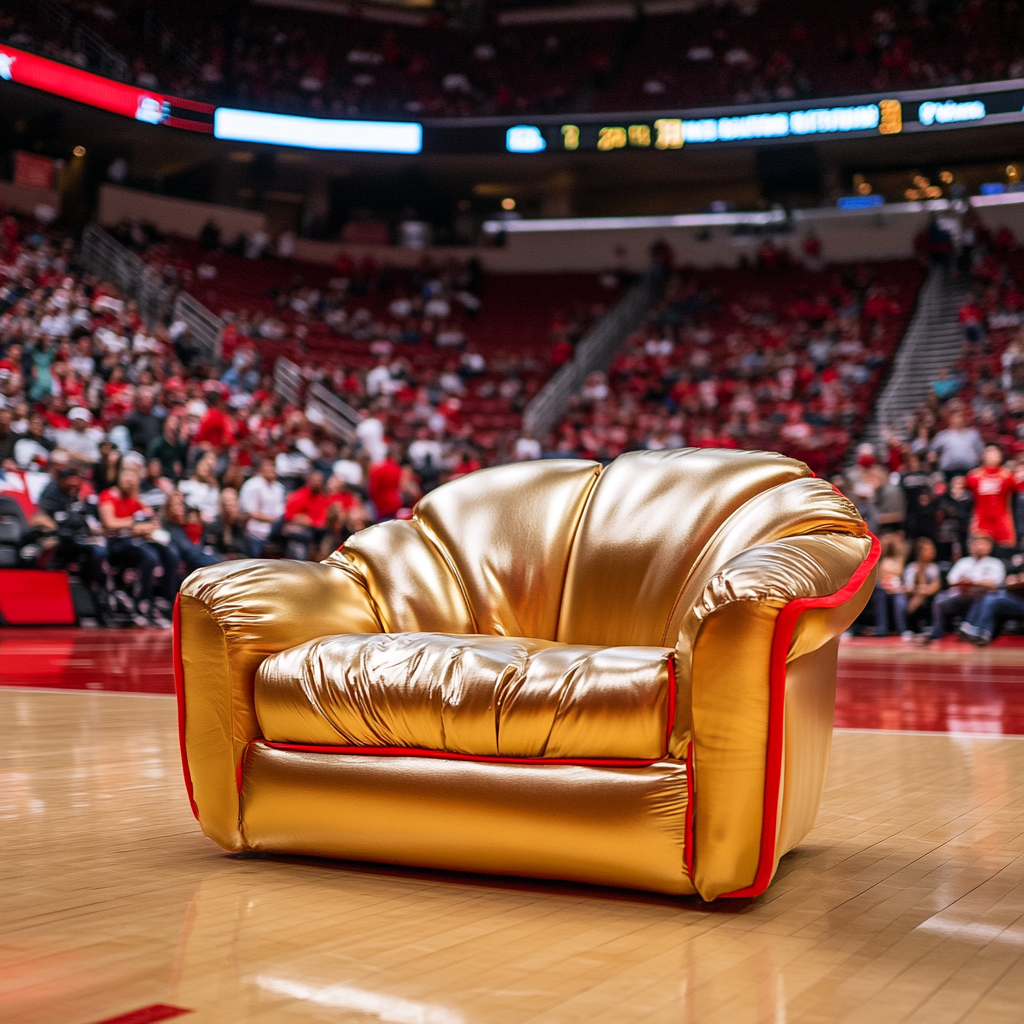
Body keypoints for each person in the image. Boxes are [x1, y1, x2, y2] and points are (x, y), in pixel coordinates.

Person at [97, 463, 178, 628]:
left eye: (133, 480)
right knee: (149, 556)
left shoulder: (135, 499)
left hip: (137, 540)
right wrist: (135, 525)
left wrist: (145, 527)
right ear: (119, 478)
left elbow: (154, 521)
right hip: (116, 543)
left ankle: (167, 603)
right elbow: (110, 523)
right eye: (126, 478)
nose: (129, 482)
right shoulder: (108, 495)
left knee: (171, 554)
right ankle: (143, 602)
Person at [919, 534, 1006, 644]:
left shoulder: (996, 563)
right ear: (971, 546)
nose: (980, 547)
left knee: (983, 597)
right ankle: (936, 632)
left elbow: (994, 585)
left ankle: (971, 630)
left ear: (990, 546)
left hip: (982, 597)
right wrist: (965, 584)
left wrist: (972, 583)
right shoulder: (963, 562)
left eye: (984, 544)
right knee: (940, 599)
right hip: (960, 596)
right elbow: (951, 582)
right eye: (977, 543)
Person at [966, 445, 1022, 553]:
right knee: (979, 547)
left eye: (995, 453)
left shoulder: (1007, 476)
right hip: (982, 518)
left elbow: (1018, 488)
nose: (991, 456)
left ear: (1000, 456)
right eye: (989, 453)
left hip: (1001, 518)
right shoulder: (974, 476)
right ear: (983, 456)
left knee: (1004, 549)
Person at [959, 570, 1024, 646]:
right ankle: (969, 628)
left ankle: (982, 633)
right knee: (986, 596)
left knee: (993, 600)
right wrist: (1014, 579)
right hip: (1016, 598)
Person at [238, 456, 286, 556]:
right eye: (268, 467)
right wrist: (273, 520)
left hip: (274, 533)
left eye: (272, 466)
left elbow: (281, 511)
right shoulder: (252, 485)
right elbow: (249, 512)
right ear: (260, 469)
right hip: (254, 533)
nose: (271, 469)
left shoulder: (279, 488)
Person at [901, 537, 942, 637]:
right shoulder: (912, 567)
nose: (933, 551)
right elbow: (908, 588)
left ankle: (930, 628)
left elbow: (936, 586)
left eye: (933, 549)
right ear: (919, 553)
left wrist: (921, 594)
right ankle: (907, 629)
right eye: (929, 549)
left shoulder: (934, 568)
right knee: (901, 600)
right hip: (912, 596)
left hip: (928, 597)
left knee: (932, 599)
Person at [870, 534, 907, 636]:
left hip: (897, 589)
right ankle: (882, 629)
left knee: (899, 601)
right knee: (880, 595)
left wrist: (895, 587)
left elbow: (899, 577)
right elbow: (878, 579)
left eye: (886, 545)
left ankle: (902, 630)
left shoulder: (900, 560)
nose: (884, 547)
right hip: (881, 588)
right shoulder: (878, 560)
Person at [929, 410, 983, 480]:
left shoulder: (973, 434)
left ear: (964, 419)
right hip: (948, 472)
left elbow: (981, 452)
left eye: (959, 417)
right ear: (950, 420)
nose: (957, 420)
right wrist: (933, 458)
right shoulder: (942, 435)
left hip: (969, 471)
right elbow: (932, 452)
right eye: (954, 418)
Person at [203, 488, 252, 558]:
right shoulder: (214, 527)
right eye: (228, 505)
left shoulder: (239, 526)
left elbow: (245, 551)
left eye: (234, 505)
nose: (231, 509)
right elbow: (210, 551)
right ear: (222, 507)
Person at [178, 452, 221, 524]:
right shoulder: (184, 485)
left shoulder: (212, 489)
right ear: (197, 467)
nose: (204, 470)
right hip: (188, 516)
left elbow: (215, 508)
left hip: (208, 519)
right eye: (202, 466)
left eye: (206, 469)